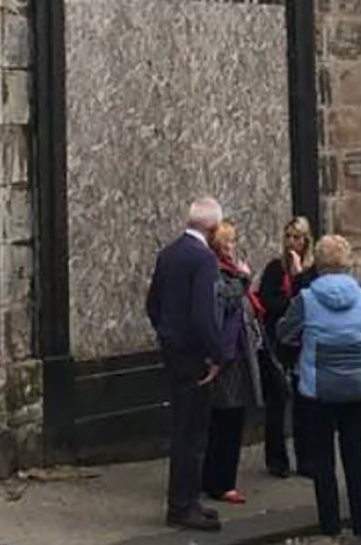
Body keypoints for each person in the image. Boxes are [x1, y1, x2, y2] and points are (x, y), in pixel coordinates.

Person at [277, 234, 361, 545]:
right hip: (358, 386)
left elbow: (285, 333)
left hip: (318, 389)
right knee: (355, 459)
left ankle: (331, 531)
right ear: (347, 263)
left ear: (318, 264)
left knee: (324, 462)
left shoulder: (306, 299)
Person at [145, 197, 225, 532]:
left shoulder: (169, 253)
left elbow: (153, 303)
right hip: (193, 355)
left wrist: (166, 335)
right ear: (213, 228)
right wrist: (217, 354)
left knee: (184, 427)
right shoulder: (204, 259)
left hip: (174, 348)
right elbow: (204, 313)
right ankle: (182, 505)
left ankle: (188, 501)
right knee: (192, 432)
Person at [202, 221, 265, 505]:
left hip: (235, 355)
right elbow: (225, 305)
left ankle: (215, 478)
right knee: (227, 418)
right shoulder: (220, 273)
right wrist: (244, 280)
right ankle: (221, 482)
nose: (232, 246)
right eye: (228, 241)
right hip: (228, 358)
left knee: (225, 419)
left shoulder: (224, 270)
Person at [258, 216, 319, 477]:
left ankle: (306, 459)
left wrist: (298, 278)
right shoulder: (274, 268)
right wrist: (287, 301)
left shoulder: (312, 271)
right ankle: (276, 460)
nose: (292, 242)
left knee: (305, 403)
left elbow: (309, 302)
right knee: (277, 402)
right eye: (288, 237)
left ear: (307, 241)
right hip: (277, 342)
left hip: (303, 343)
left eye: (297, 237)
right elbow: (269, 302)